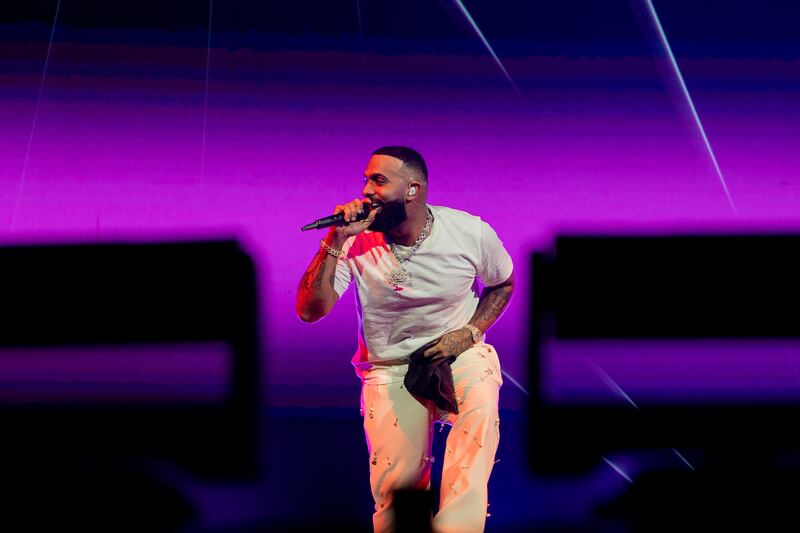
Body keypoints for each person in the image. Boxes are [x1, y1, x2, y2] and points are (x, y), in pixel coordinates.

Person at [296, 146, 514, 533]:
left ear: (413, 190)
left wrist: (470, 332)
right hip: (389, 366)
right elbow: (311, 311)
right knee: (398, 496)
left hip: (455, 354)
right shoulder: (355, 241)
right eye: (365, 180)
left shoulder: (469, 231)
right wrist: (335, 238)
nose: (366, 190)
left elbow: (503, 283)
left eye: (378, 180)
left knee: (478, 405)